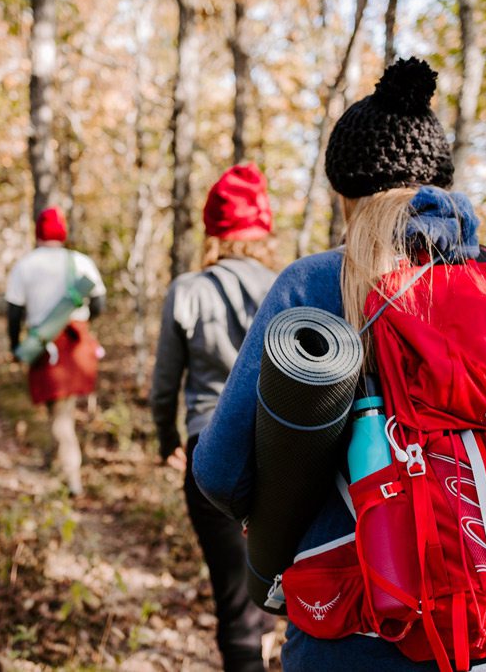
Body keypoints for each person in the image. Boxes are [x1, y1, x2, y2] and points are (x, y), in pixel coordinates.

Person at [192, 58, 486, 670]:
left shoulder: (315, 284)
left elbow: (220, 470)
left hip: (357, 630)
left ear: (344, 192)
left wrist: (278, 513)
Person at [151, 163, 279, 672]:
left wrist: (168, 441)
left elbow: (165, 385)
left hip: (211, 457)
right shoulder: (292, 286)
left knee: (234, 597)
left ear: (213, 232)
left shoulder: (188, 289)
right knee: (272, 588)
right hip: (282, 456)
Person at [7, 206, 106, 496]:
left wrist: (16, 346)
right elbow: (99, 304)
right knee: (63, 410)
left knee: (60, 414)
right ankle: (58, 463)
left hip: (44, 345)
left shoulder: (25, 265)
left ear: (37, 233)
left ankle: (72, 478)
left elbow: (13, 313)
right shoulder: (81, 262)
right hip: (77, 343)